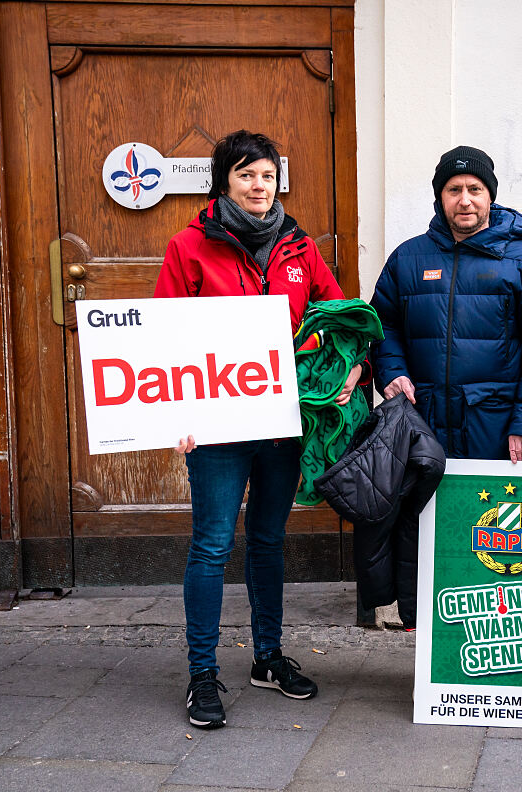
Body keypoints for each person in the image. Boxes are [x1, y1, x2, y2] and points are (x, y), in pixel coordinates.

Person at [154, 130, 363, 730]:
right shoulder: (188, 247)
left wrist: (350, 368)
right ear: (225, 182)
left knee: (268, 540)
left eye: (267, 175)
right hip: (217, 424)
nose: (258, 186)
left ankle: (267, 658)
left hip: (281, 421)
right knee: (213, 544)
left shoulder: (299, 248)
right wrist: (177, 414)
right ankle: (201, 673)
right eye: (246, 175)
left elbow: (340, 315)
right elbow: (162, 340)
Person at [370, 145, 522, 462]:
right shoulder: (407, 259)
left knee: (497, 512)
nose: (465, 200)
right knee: (423, 512)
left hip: (497, 433)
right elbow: (382, 327)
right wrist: (392, 373)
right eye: (454, 190)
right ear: (440, 198)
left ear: (489, 195)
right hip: (421, 428)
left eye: (474, 189)